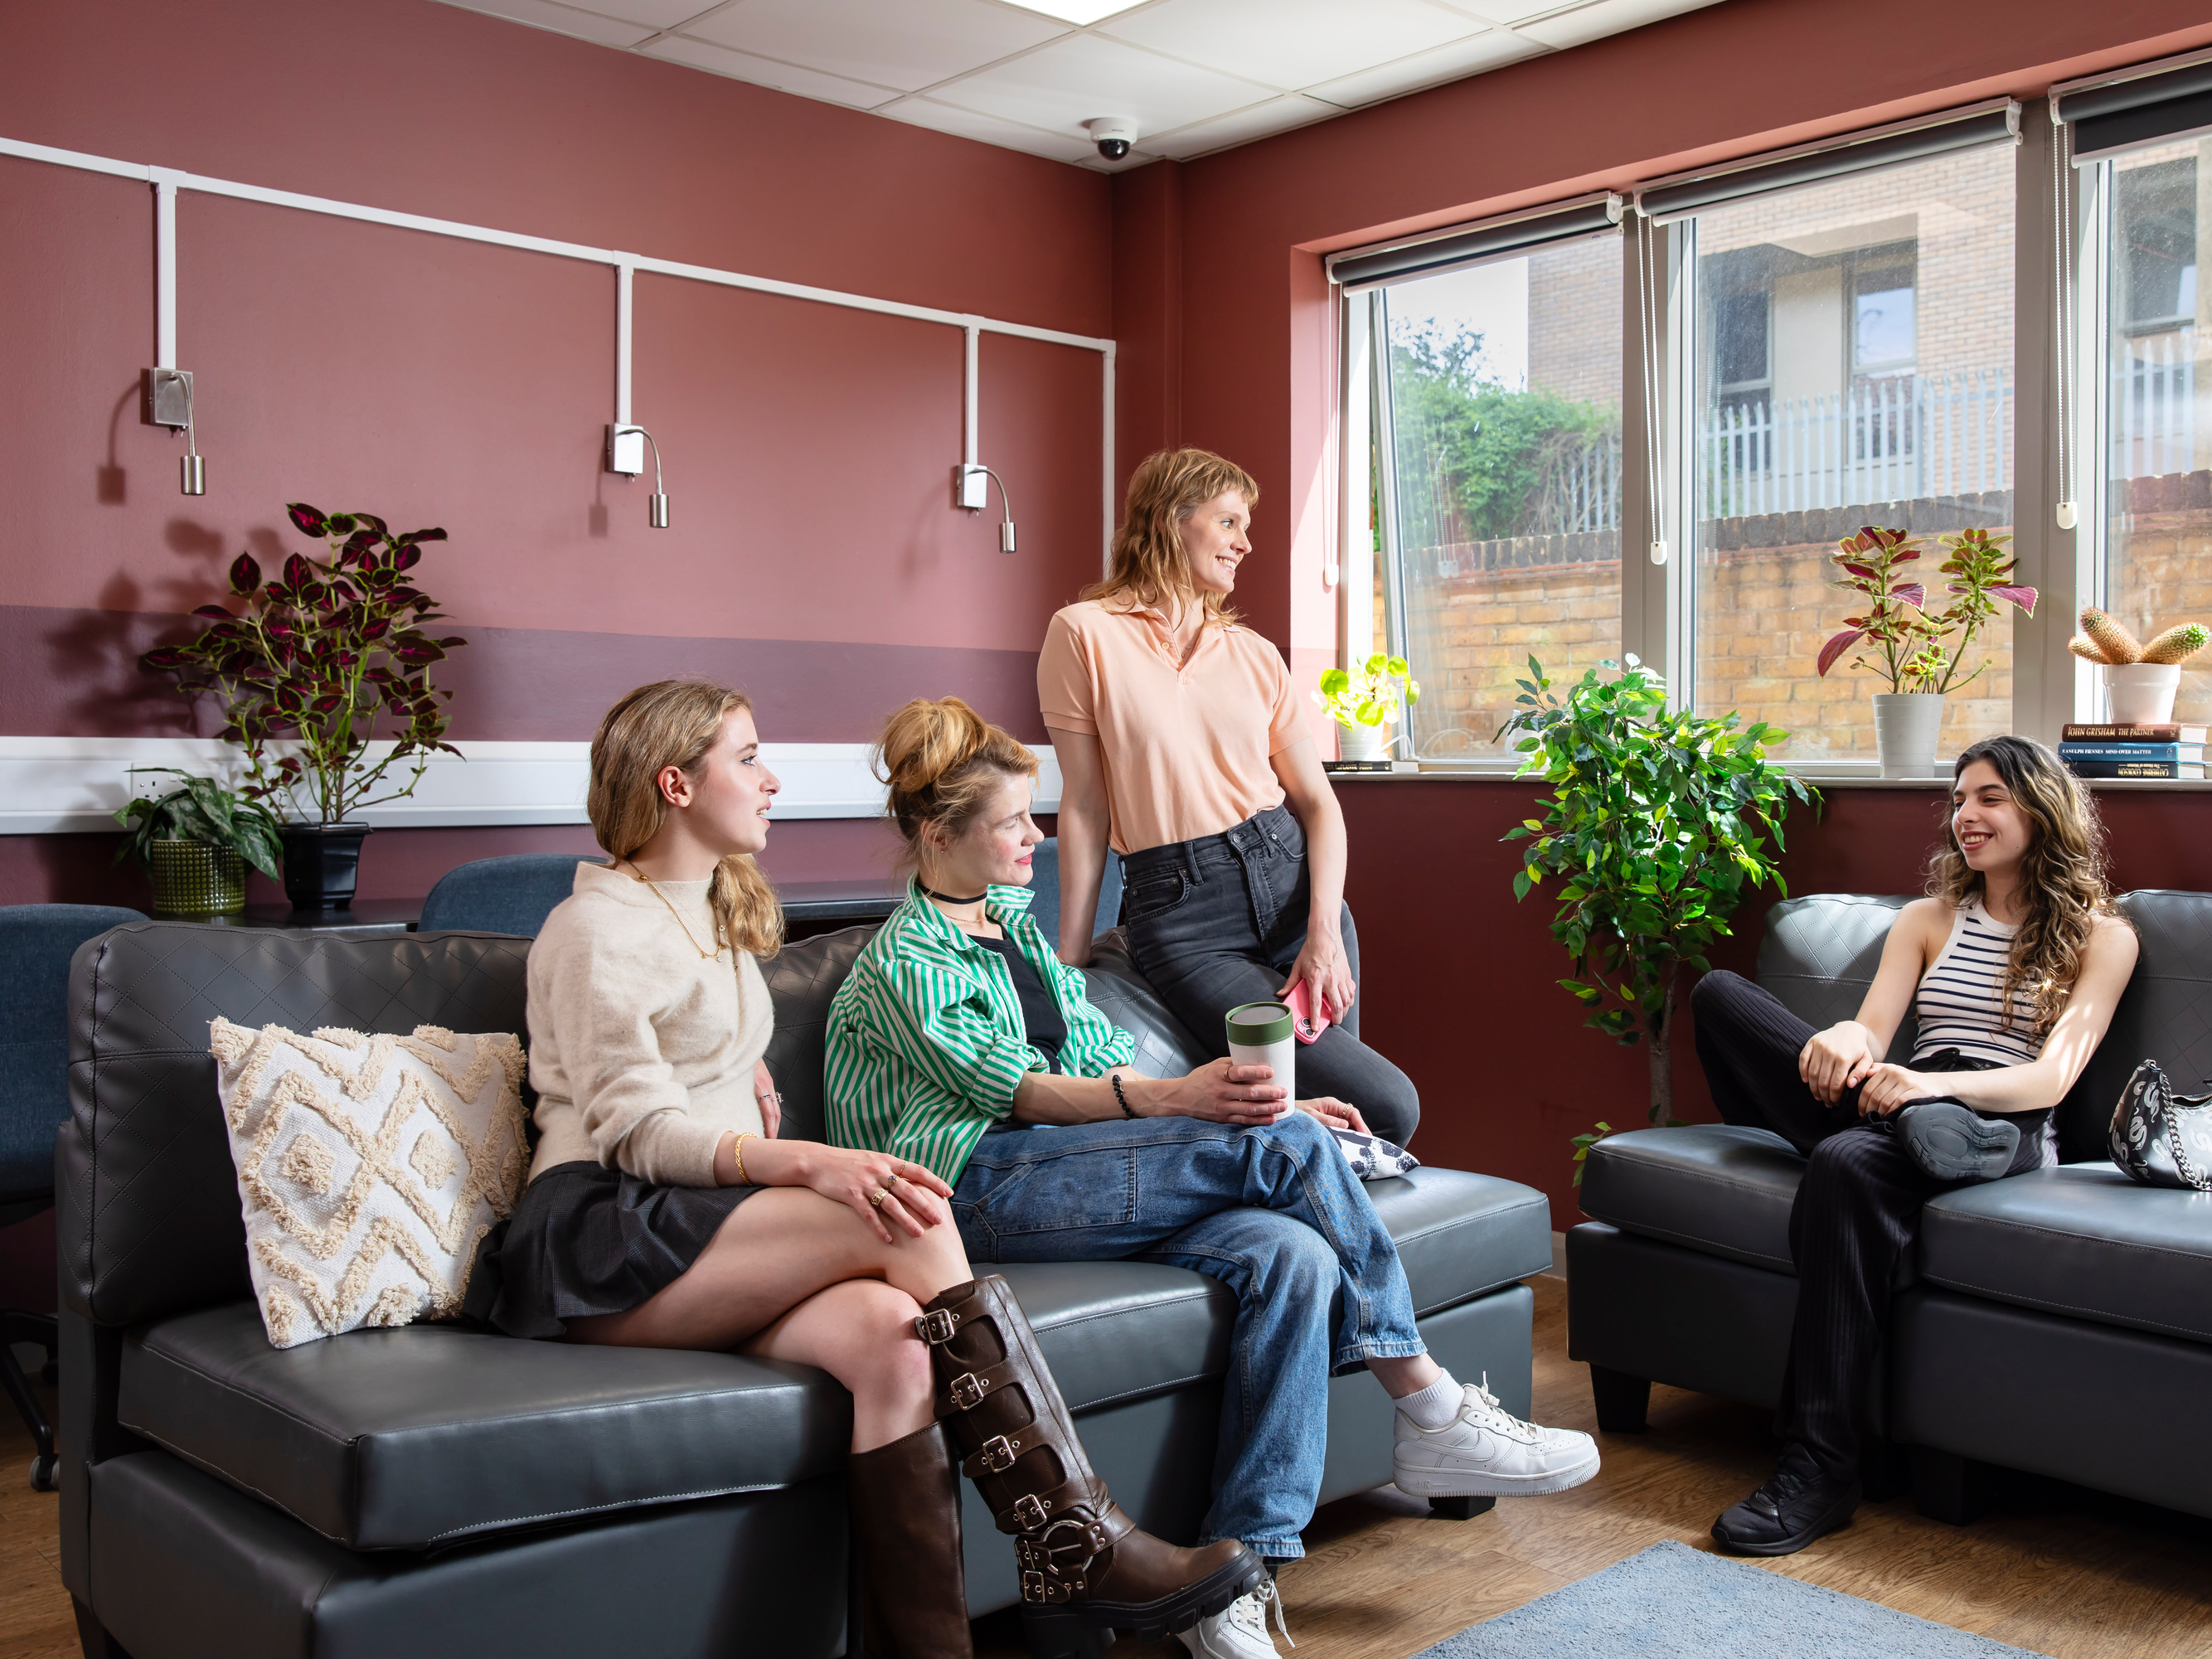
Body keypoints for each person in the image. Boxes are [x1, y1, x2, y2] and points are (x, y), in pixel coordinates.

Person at [474, 678, 1258, 1659]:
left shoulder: (707, 912)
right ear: (676, 785)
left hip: (698, 1222)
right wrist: (807, 1160)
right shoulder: (593, 930)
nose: (771, 780)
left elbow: (687, 1056)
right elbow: (634, 1133)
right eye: (748, 758)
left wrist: (743, 1082)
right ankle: (1076, 1541)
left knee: (893, 1339)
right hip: (603, 1236)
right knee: (910, 1207)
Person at [824, 697, 1600, 1659]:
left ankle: (1238, 1580)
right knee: (1286, 1153)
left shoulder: (1016, 933)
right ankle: (1428, 1403)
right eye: (1013, 823)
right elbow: (1017, 1091)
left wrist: (1276, 1113)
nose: (1037, 838)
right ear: (940, 835)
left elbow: (1101, 1042)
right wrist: (1183, 1101)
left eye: (1034, 816)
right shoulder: (903, 961)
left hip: (1065, 1177)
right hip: (971, 1189)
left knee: (1295, 1259)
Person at [1688, 734, 2138, 1557]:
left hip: (1997, 1124)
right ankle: (1871, 1120)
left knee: (1845, 1158)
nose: (1967, 815)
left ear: (2043, 808)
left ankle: (1820, 1467)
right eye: (1960, 799)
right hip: (1901, 1104)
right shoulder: (1928, 919)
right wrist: (1846, 1042)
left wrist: (1930, 1088)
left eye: (1990, 798)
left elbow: (2052, 1079)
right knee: (1721, 995)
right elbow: (1876, 1022)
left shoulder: (2101, 937)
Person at [1040, 446, 1420, 1147]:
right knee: (1389, 1105)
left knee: (1354, 1128)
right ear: (1167, 520)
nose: (1246, 543)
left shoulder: (1253, 653)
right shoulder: (1082, 634)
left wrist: (1325, 931)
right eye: (1228, 521)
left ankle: (1333, 1252)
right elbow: (1087, 807)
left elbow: (1320, 805)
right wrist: (1067, 963)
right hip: (1185, 920)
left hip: (1296, 887)